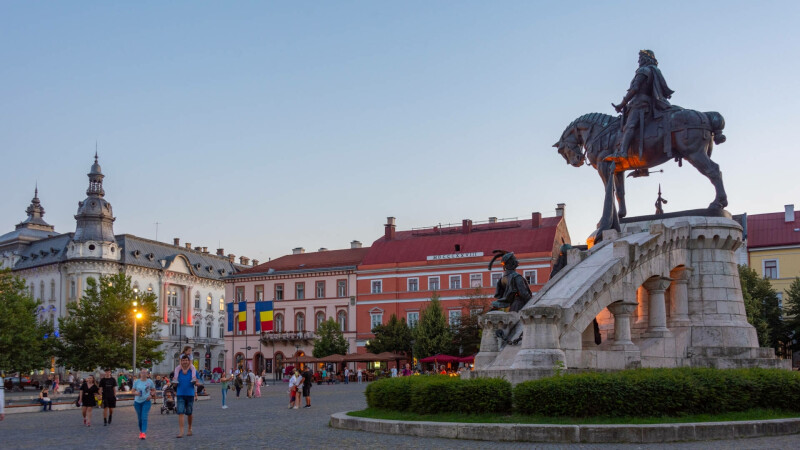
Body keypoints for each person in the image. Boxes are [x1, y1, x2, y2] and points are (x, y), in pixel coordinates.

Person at [611, 49, 674, 160]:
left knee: (630, 126)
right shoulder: (653, 71)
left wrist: (622, 104)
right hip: (649, 104)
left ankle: (623, 152)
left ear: (645, 59)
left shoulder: (643, 70)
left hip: (639, 104)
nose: (638, 61)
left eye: (640, 58)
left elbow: (635, 88)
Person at [174, 354, 199, 438]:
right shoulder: (178, 370)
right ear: (181, 361)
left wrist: (196, 382)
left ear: (189, 361)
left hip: (190, 394)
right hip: (180, 394)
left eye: (186, 360)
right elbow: (174, 382)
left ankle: (189, 428)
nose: (185, 362)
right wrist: (174, 383)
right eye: (183, 360)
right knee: (180, 412)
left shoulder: (192, 370)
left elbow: (197, 381)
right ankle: (181, 431)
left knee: (189, 413)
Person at [132, 369, 156, 440]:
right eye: (142, 372)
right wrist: (136, 393)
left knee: (144, 417)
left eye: (145, 373)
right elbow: (132, 391)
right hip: (137, 402)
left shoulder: (150, 381)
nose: (144, 374)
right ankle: (141, 431)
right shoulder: (137, 382)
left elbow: (154, 390)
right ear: (140, 374)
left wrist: (151, 395)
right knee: (140, 418)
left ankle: (143, 432)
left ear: (147, 374)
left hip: (146, 401)